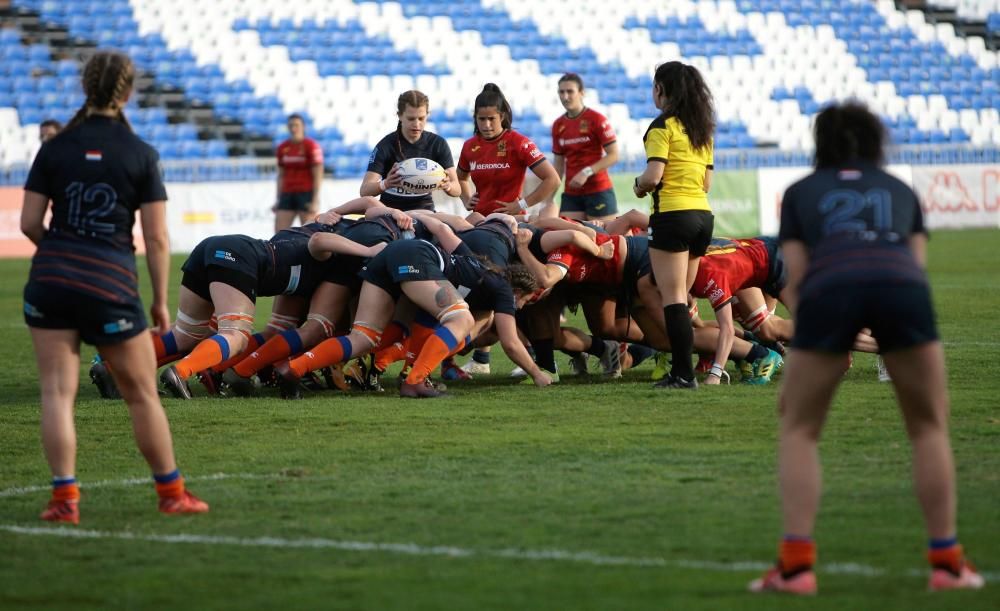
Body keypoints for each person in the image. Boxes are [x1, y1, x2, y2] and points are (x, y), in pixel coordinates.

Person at [749, 102, 983, 594]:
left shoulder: (799, 193)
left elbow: (800, 275)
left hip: (830, 287)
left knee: (799, 426)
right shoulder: (899, 189)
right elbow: (915, 267)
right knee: (928, 426)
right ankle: (947, 564)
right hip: (902, 289)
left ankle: (795, 569)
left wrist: (826, 336)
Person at [19, 51, 208, 524]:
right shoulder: (140, 153)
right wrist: (160, 301)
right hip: (110, 283)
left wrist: (61, 249)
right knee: (141, 393)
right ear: (127, 94)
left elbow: (27, 224)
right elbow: (158, 237)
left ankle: (64, 501)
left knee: (56, 396)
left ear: (86, 88)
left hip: (51, 281)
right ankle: (171, 493)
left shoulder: (54, 147)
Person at [632, 61, 716, 390]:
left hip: (672, 216)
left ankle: (683, 374)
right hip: (702, 217)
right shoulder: (701, 129)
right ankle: (717, 352)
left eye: (654, 86)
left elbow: (653, 177)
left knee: (673, 299)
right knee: (678, 295)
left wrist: (638, 185)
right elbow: (707, 183)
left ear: (661, 90)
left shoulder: (660, 127)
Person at [457, 83, 559, 220]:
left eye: (491, 119)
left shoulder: (519, 143)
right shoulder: (469, 146)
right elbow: (460, 178)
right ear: (475, 117)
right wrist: (466, 199)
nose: (486, 125)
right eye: (482, 119)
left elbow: (553, 179)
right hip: (480, 220)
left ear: (502, 116)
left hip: (512, 221)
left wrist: (522, 204)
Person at [361, 90, 461, 210]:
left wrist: (447, 185)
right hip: (391, 213)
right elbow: (365, 190)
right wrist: (386, 183)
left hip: (424, 211)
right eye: (411, 118)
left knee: (447, 227)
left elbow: (457, 189)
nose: (417, 124)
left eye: (421, 118)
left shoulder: (438, 144)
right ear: (400, 116)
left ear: (427, 115)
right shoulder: (386, 145)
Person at [550, 73, 619, 221]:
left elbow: (614, 155)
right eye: (561, 92)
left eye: (570, 91)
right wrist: (550, 197)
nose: (565, 96)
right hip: (571, 193)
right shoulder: (558, 125)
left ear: (582, 93)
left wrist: (586, 172)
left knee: (605, 237)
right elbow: (558, 165)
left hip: (598, 190)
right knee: (568, 238)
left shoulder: (597, 119)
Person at [274, 113, 323, 232]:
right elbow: (281, 175)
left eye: (296, 125)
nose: (293, 128)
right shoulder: (282, 148)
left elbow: (318, 174)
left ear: (303, 127)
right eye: (290, 125)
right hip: (287, 193)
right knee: (279, 233)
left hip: (305, 193)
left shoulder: (311, 146)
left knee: (308, 233)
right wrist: (278, 198)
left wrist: (315, 200)